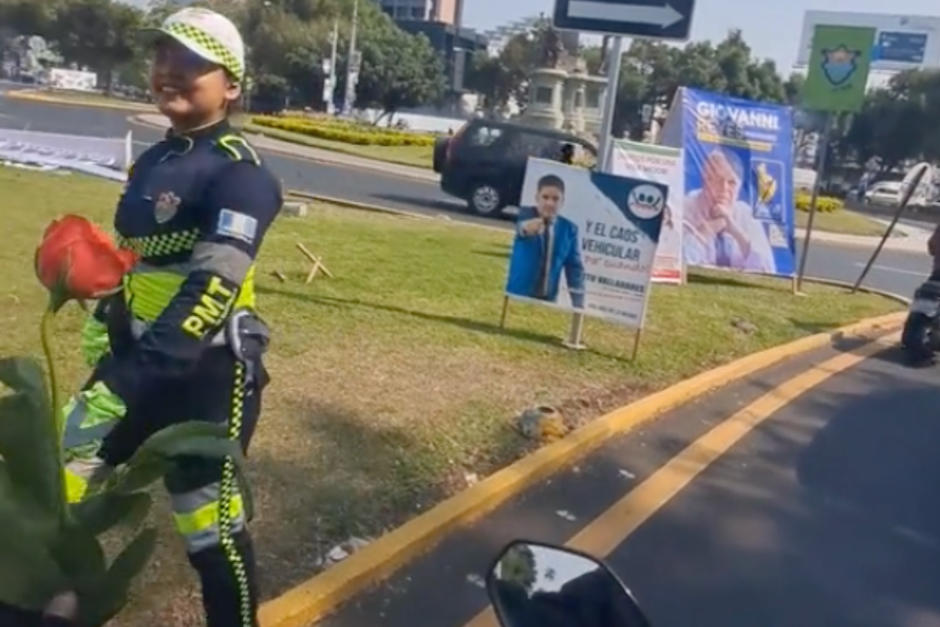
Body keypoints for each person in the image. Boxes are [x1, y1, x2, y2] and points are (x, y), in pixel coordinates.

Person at [61, 8, 281, 626]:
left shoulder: (241, 174)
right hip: (134, 362)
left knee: (210, 534)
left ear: (231, 85)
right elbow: (136, 258)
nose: (170, 71)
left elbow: (211, 291)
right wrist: (109, 314)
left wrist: (127, 379)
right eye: (162, 56)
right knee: (57, 488)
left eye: (192, 62)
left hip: (204, 379)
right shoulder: (155, 161)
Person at [684, 148, 776, 273]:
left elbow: (768, 269)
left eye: (732, 182)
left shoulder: (745, 213)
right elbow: (675, 262)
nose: (724, 188)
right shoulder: (685, 208)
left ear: (739, 187)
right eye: (718, 180)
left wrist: (735, 230)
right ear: (705, 180)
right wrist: (706, 230)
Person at [506, 174, 585, 308]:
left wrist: (578, 304)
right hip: (517, 295)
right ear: (537, 197)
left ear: (562, 201)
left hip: (548, 300)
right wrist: (524, 229)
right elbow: (518, 230)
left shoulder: (569, 229)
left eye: (555, 199)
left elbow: (574, 268)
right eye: (545, 197)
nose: (550, 203)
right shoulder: (523, 215)